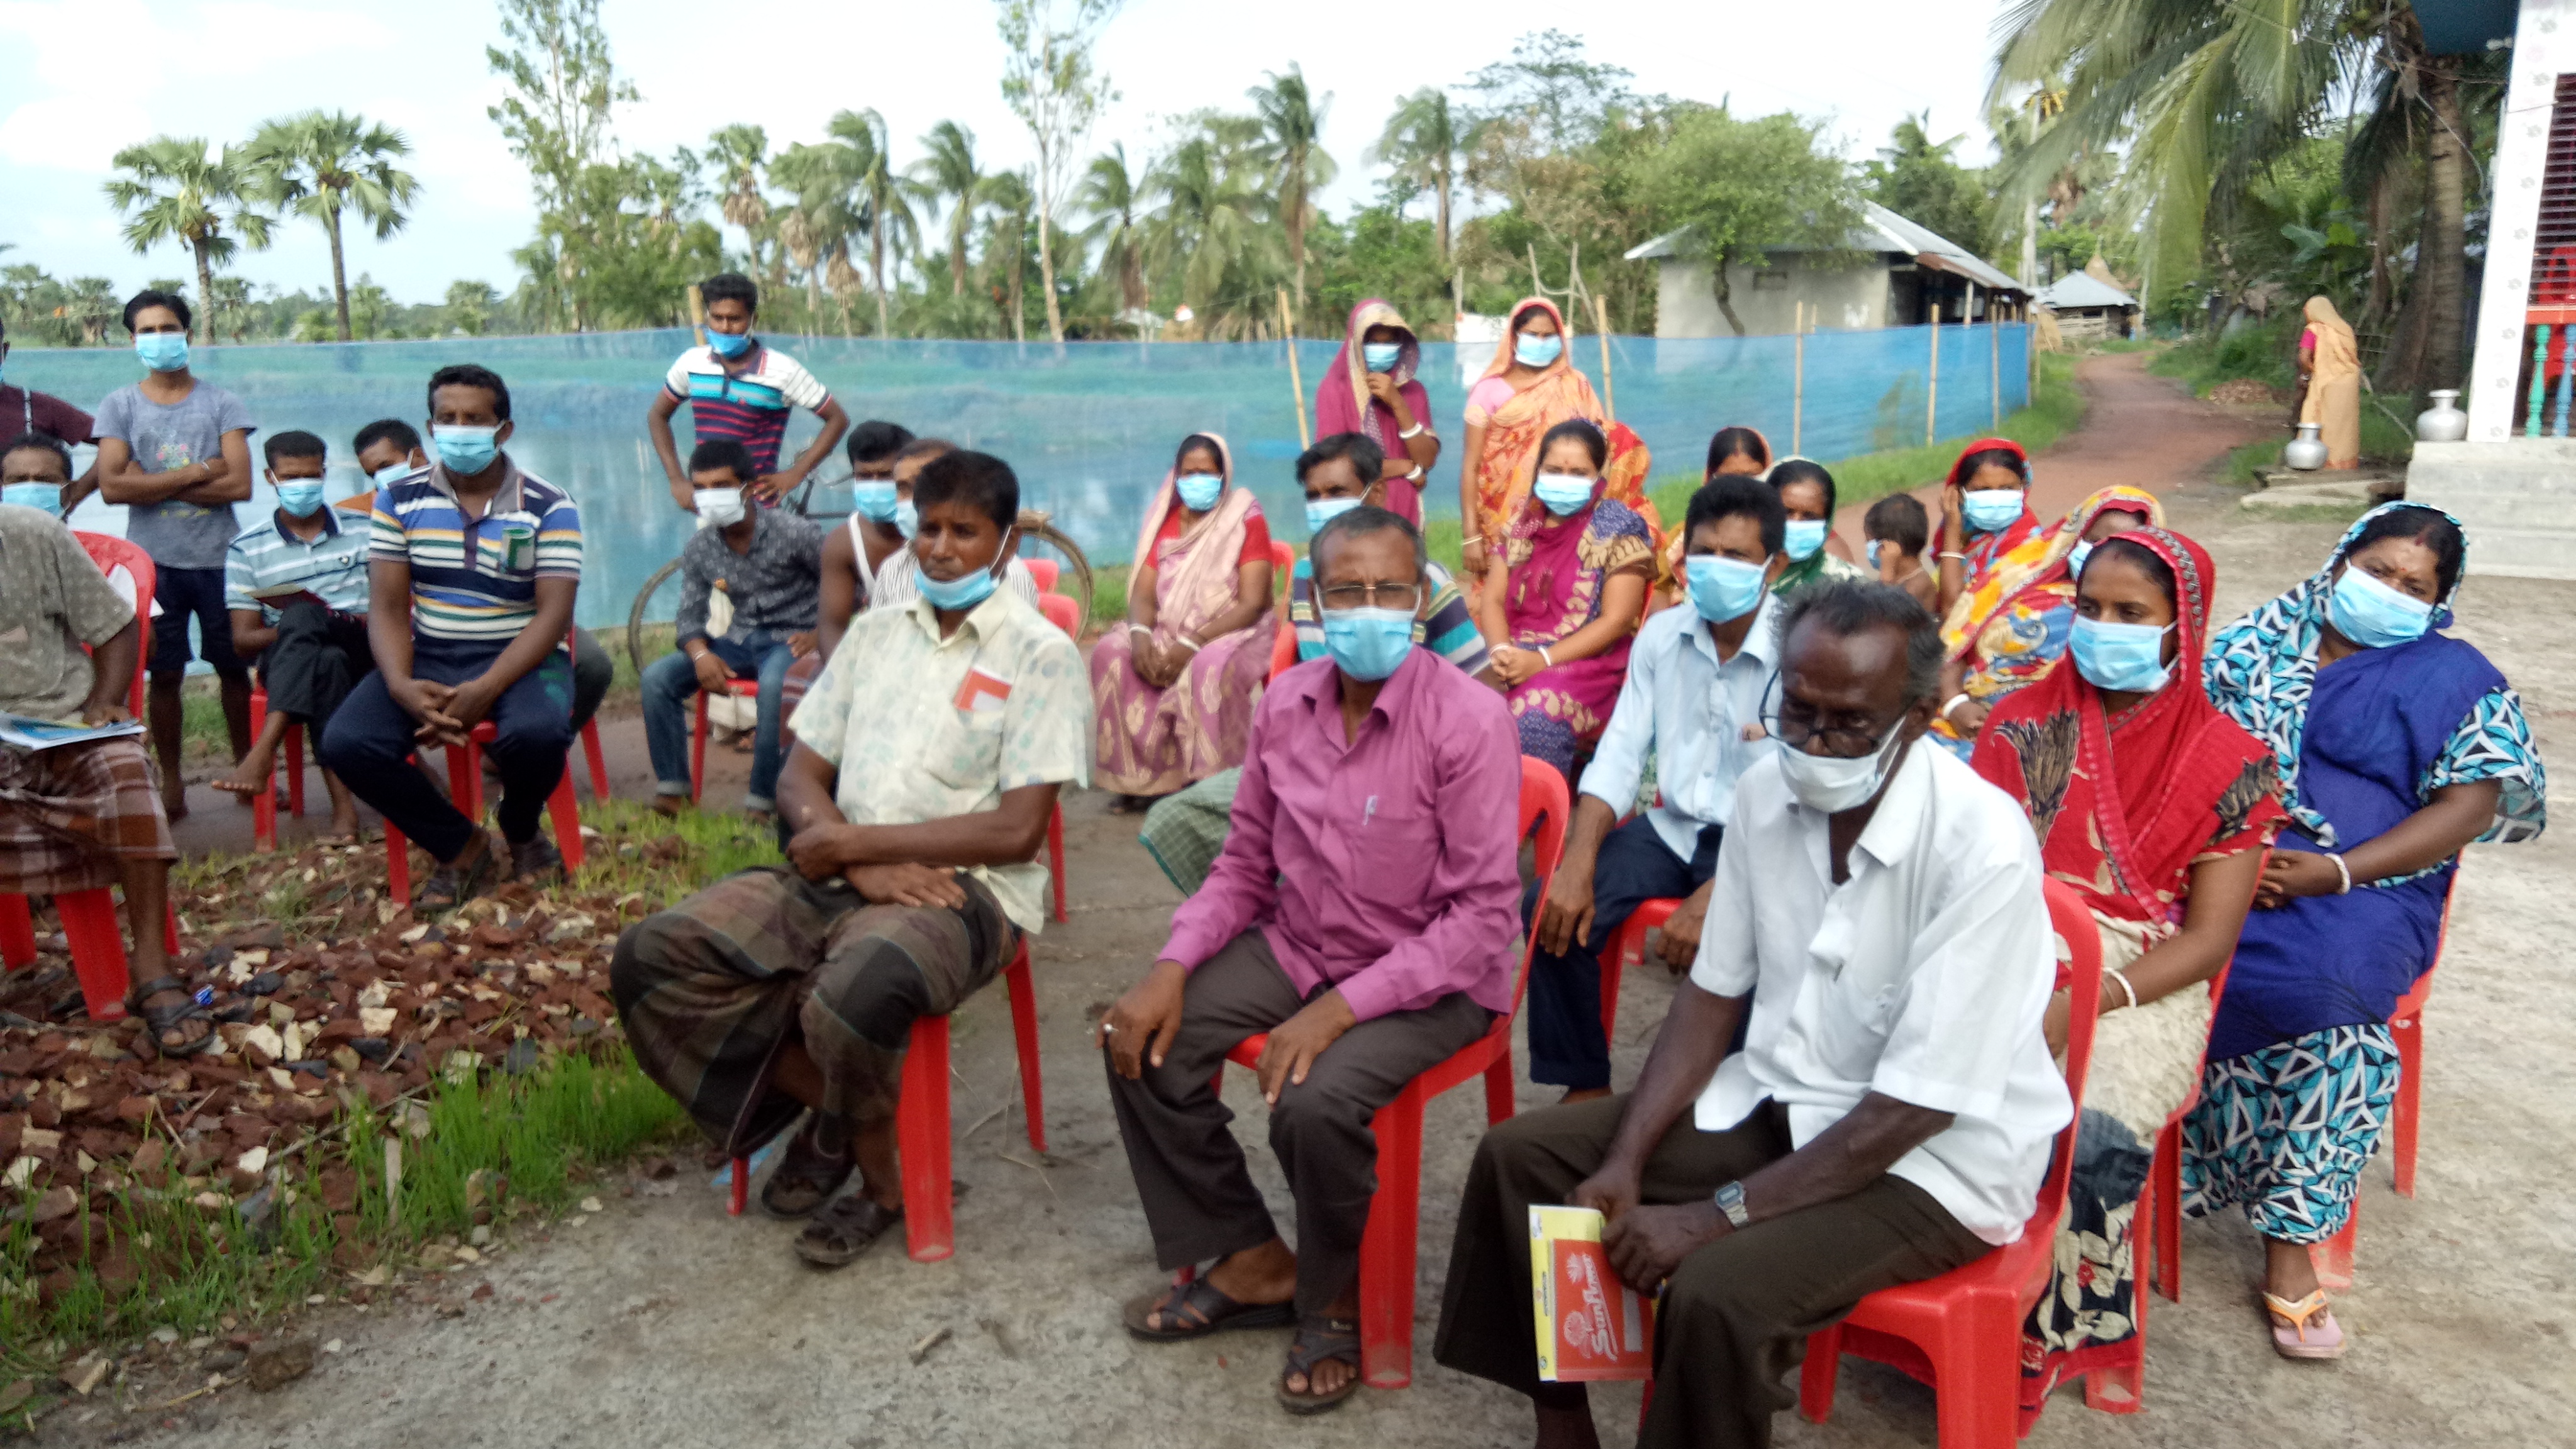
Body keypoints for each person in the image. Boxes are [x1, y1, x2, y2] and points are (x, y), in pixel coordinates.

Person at [1434, 582, 2072, 1449]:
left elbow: (1914, 1108)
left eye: (1849, 723)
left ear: (1920, 718)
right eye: (1797, 709)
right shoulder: (1767, 791)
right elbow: (1712, 993)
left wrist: (1713, 1216)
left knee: (1715, 1291)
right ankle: (1563, 1426)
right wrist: (1626, 1157)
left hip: (1933, 1164)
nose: (1813, 741)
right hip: (1786, 1103)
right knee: (1522, 1159)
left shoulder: (1982, 846)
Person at [613, 449, 1087, 1267]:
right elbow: (799, 777)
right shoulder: (873, 635)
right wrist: (859, 864)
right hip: (845, 871)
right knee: (654, 956)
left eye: (965, 532)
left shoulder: (1039, 653)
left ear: (1007, 544)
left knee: (857, 990)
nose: (940, 549)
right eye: (928, 529)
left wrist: (854, 846)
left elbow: (1016, 832)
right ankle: (847, 1119)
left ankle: (883, 1184)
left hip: (966, 891)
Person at [1100, 504, 1521, 1416]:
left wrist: (1339, 1011)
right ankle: (1254, 1256)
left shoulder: (1470, 719)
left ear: (1421, 600)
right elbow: (1243, 864)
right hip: (1303, 945)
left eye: (1390, 590)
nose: (1369, 609)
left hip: (1433, 976)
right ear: (1315, 605)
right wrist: (1171, 965)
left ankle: (1334, 1298)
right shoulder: (1287, 703)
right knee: (1141, 1039)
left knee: (1315, 1100)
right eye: (1346, 591)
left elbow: (1483, 916)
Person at [2187, 503, 2545, 1359]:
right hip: (2224, 859)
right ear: (2340, 560)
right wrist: (2224, 855)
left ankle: (2289, 1244)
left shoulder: (2455, 679)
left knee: (2333, 1008)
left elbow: (2472, 805)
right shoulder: (2253, 645)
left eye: (2413, 586)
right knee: (2133, 964)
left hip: (2367, 888)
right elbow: (2178, 749)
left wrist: (2334, 870)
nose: (2389, 591)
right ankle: (2133, 1179)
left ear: (2438, 602)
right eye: (2377, 570)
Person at [1970, 525, 2285, 1418]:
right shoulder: (2019, 722)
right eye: (2090, 608)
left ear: (2183, 625)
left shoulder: (2231, 761)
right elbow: (1970, 875)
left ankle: (2058, 1325)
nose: (2102, 627)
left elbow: (2208, 941)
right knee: (1918, 1072)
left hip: (2145, 975)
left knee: (2094, 1119)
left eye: (2131, 613)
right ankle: (1943, 1275)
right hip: (2009, 939)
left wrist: (2090, 1000)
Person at [1136, 432, 1495, 897]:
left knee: (1338, 843)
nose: (1324, 506)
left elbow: (1484, 685)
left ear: (1376, 494)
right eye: (1314, 496)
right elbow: (1306, 676)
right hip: (1314, 756)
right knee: (1178, 817)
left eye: (1337, 492)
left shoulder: (1422, 580)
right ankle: (1269, 912)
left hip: (1405, 763)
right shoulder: (1308, 575)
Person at [1523, 477, 1787, 1102]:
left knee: (1746, 942)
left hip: (1765, 840)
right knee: (1550, 905)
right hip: (1674, 828)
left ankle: (1719, 1101)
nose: (1716, 567)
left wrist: (1723, 894)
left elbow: (1805, 798)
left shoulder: (1803, 647)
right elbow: (1618, 752)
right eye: (1705, 553)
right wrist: (1575, 861)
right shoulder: (1662, 635)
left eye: (1737, 556)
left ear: (1773, 567)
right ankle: (1583, 1084)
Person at [319, 365, 582, 907]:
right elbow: (387, 606)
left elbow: (554, 615)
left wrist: (487, 688)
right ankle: (460, 845)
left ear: (503, 429)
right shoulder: (399, 500)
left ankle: (521, 825)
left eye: (475, 419)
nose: (460, 429)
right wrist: (399, 684)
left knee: (539, 735)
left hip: (523, 657)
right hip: (433, 653)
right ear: (431, 427)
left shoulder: (549, 504)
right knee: (347, 743)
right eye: (448, 418)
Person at [0, 493, 203, 1052]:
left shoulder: (33, 534)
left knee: (124, 769)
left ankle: (151, 968)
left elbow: (116, 627)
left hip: (54, 725)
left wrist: (106, 701)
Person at [92, 289, 257, 822]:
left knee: (234, 670)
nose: (159, 338)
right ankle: (171, 784)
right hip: (152, 567)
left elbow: (241, 485)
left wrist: (149, 482)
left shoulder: (222, 403)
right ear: (132, 340)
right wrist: (200, 470)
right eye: (148, 330)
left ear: (187, 334)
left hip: (220, 560)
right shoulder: (119, 405)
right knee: (164, 675)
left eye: (169, 327)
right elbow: (112, 488)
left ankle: (247, 770)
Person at [351, 418, 614, 741]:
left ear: (416, 456)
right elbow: (386, 603)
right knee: (361, 723)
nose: (379, 478)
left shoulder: (537, 501)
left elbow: (556, 606)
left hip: (519, 625)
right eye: (371, 473)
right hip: (432, 636)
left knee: (589, 666)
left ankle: (524, 751)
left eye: (386, 466)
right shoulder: (381, 506)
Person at [1091, 433, 1276, 811]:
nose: (1197, 481)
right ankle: (1142, 781)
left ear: (1224, 476)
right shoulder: (1166, 520)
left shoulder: (1243, 517)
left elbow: (1253, 602)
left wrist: (1192, 643)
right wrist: (1140, 636)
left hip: (1232, 628)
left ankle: (1210, 784)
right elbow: (1144, 594)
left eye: (1206, 473)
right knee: (1111, 652)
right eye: (1189, 473)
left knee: (1208, 667)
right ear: (1176, 476)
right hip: (1169, 627)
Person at [641, 440, 823, 822]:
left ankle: (764, 802)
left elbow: (848, 585)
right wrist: (700, 654)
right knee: (658, 678)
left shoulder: (795, 533)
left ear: (749, 488)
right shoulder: (701, 547)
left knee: (775, 684)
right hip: (740, 641)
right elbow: (689, 615)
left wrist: (820, 632)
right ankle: (672, 790)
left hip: (793, 639)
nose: (709, 497)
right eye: (700, 488)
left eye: (721, 486)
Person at [206, 430, 375, 841]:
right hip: (295, 660)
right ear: (271, 477)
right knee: (324, 659)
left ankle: (265, 749)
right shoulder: (248, 548)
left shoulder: (364, 530)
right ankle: (344, 811)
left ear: (324, 473)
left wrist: (327, 618)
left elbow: (390, 608)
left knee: (306, 618)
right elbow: (244, 640)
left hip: (361, 646)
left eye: (311, 475)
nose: (303, 485)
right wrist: (302, 626)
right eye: (291, 477)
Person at [1931, 483, 2165, 760]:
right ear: (2074, 536)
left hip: (2059, 748)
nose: (2106, 557)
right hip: (1968, 721)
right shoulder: (2013, 579)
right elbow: (1955, 644)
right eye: (2095, 541)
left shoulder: (2148, 621)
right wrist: (1955, 704)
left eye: (2123, 547)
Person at [1474, 418, 1652, 776]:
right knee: (1459, 704)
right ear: (1538, 471)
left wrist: (1541, 660)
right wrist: (1501, 652)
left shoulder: (1618, 528)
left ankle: (1537, 809)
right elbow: (1491, 600)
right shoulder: (1522, 525)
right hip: (1514, 652)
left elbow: (1617, 620)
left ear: (1599, 476)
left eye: (1578, 473)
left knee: (1533, 718)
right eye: (1554, 470)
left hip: (1586, 663)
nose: (1564, 480)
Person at [1460, 298, 1650, 580]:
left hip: (1567, 509)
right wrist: (1471, 535)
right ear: (1514, 337)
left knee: (1559, 583)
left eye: (1549, 336)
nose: (1541, 342)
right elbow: (1471, 466)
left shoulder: (1575, 385)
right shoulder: (1488, 391)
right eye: (1533, 334)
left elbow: (1601, 446)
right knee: (1501, 589)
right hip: (1499, 517)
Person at [647, 272, 850, 512]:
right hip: (708, 505)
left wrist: (796, 473)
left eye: (735, 319)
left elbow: (837, 419)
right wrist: (676, 480)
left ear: (753, 319)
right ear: (708, 316)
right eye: (717, 318)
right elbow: (657, 416)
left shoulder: (782, 370)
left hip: (759, 508)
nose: (725, 327)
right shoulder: (692, 363)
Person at [853, 436, 1043, 615]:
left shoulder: (1011, 575)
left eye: (964, 533)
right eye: (903, 488)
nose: (941, 551)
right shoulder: (893, 569)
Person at [1314, 300, 1440, 524]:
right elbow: (1338, 462)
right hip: (1354, 515)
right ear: (1356, 343)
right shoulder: (1335, 390)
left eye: (1389, 342)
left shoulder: (1413, 391)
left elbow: (1426, 459)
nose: (1381, 349)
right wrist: (1405, 466)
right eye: (1372, 342)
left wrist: (1397, 402)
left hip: (1405, 513)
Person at [813, 419, 914, 652]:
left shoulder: (936, 531)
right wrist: (845, 672)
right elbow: (832, 627)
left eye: (886, 476)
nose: (875, 485)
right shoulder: (844, 543)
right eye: (865, 477)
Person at [1931, 437, 2043, 617]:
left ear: (2023, 487)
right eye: (1982, 489)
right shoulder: (1964, 530)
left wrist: (1952, 531)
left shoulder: (2029, 544)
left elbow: (1953, 611)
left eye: (2007, 488)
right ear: (1959, 493)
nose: (1995, 499)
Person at [0, 318, 103, 510]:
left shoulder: (34, 406)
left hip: (36, 525)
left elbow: (113, 440)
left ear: (4, 350)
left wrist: (78, 491)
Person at [1764, 458, 1868, 592]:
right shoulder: (1743, 576)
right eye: (1786, 512)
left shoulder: (1847, 583)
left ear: (1827, 522)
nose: (1796, 523)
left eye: (1810, 517)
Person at [2292, 296, 2362, 471]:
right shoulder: (2344, 329)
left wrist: (2311, 370)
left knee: (2315, 417)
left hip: (2325, 380)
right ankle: (2343, 463)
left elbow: (2303, 358)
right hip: (2348, 382)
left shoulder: (2314, 330)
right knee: (2343, 424)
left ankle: (2317, 459)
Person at [1863, 492, 1936, 611]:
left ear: (1890, 547)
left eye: (1869, 542)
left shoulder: (1917, 585)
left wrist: (1886, 577)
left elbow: (1883, 613)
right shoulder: (1900, 580)